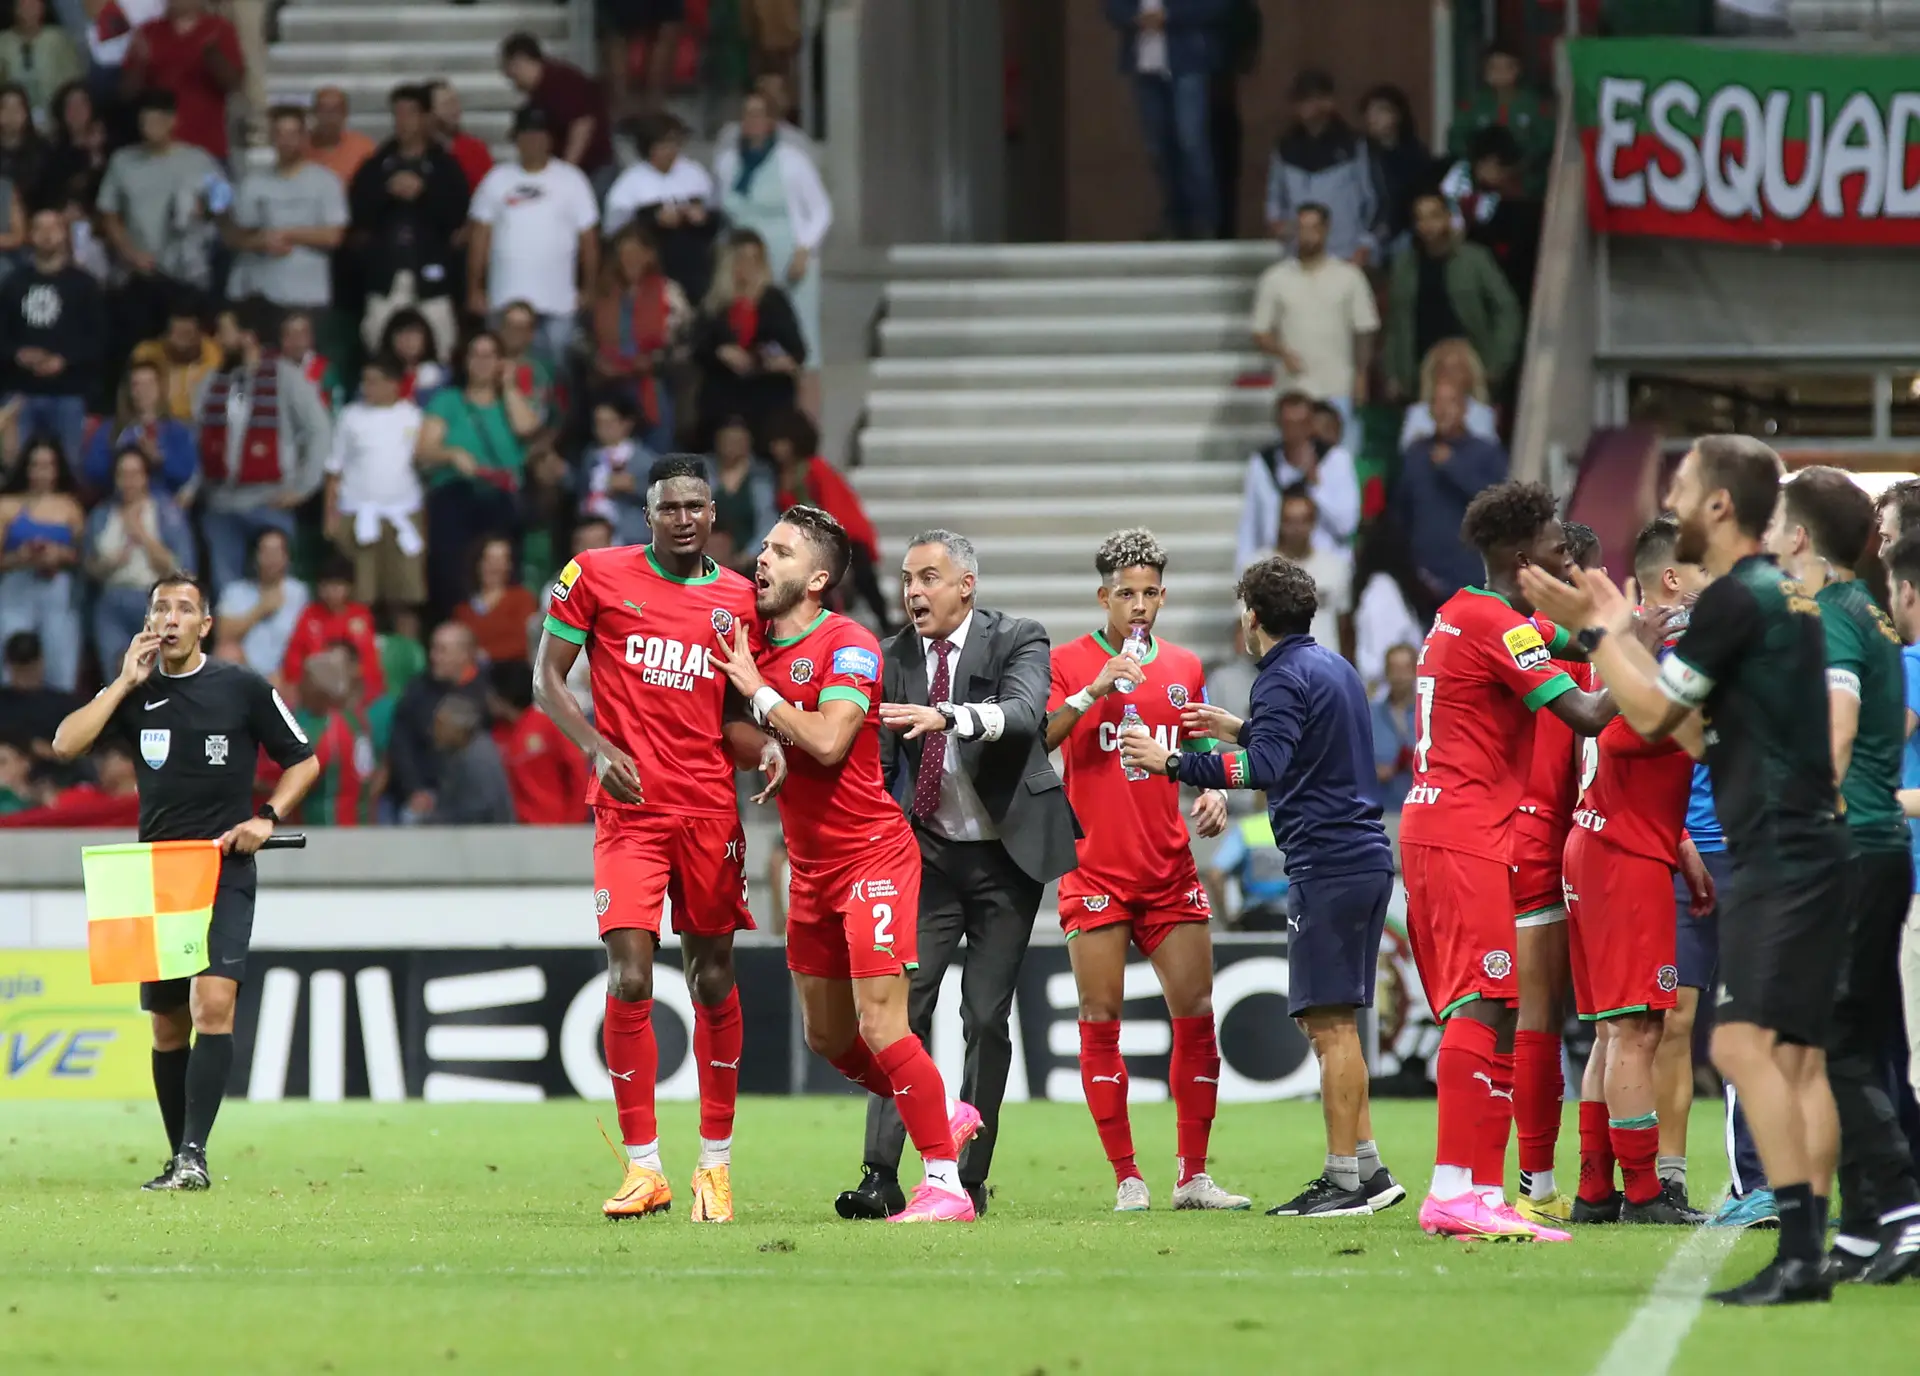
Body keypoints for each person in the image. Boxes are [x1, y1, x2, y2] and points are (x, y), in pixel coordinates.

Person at [1518, 435, 1847, 1303]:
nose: (1670, 492)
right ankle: (1814, 1243)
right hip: (1773, 845)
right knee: (1774, 1050)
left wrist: (1600, 633)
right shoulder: (1764, 600)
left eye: (1687, 481)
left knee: (1755, 1047)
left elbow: (1660, 716)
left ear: (1721, 508)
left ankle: (1817, 1241)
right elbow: (1692, 732)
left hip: (1781, 851)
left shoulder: (1738, 603)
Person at [711, 504, 986, 1222]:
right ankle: (940, 1106)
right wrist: (762, 741)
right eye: (763, 547)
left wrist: (761, 693)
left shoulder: (849, 643)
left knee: (880, 1023)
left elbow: (832, 742)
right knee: (827, 1036)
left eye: (781, 551)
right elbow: (738, 730)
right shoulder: (748, 644)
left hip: (872, 856)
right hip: (811, 868)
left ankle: (946, 1187)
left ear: (819, 577)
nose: (761, 560)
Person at [532, 455, 785, 1223]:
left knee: (711, 978)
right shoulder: (596, 576)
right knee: (632, 971)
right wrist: (597, 748)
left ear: (714, 514)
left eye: (695, 505)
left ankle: (715, 1165)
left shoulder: (743, 601)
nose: (682, 517)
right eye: (668, 506)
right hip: (630, 813)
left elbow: (736, 719)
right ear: (647, 516)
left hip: (709, 812)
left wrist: (767, 746)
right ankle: (644, 1168)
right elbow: (548, 678)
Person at [1124, 555, 1403, 1217]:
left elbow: (1268, 767)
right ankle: (1369, 1170)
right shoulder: (1332, 668)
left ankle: (1341, 1184)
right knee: (1340, 1024)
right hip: (1363, 857)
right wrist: (1238, 727)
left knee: (1328, 1026)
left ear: (1252, 616)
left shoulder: (1279, 677)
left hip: (1327, 863)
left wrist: (1172, 762)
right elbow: (1307, 748)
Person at [836, 529, 1077, 1220]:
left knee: (985, 1016)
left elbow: (1028, 716)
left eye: (929, 577)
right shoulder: (887, 657)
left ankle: (967, 1178)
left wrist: (945, 716)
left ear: (966, 585)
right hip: (928, 855)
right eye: (908, 578)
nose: (914, 590)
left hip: (1008, 856)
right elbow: (879, 771)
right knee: (899, 1009)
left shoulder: (1018, 637)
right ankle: (881, 1173)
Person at [50, 571, 318, 1190]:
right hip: (156, 876)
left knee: (212, 1001)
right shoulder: (135, 693)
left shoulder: (243, 686)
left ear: (205, 624)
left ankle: (194, 1152)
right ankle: (180, 1158)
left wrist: (266, 817)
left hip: (223, 866)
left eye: (183, 609)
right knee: (169, 1022)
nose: (169, 618)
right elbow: (66, 744)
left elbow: (304, 760)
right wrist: (121, 681)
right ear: (149, 623)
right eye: (159, 608)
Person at [1398, 480, 1614, 1242]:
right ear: (1526, 561)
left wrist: (1624, 630)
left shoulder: (1467, 612)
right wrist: (1646, 666)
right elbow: (1586, 713)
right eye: (1560, 552)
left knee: (1492, 1003)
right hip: (1462, 833)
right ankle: (1454, 1188)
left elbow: (1569, 643)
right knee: (1482, 1004)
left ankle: (1481, 1191)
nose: (1570, 564)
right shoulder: (1497, 624)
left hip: (1450, 828)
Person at [1041, 527, 1248, 1212]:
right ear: (1103, 596)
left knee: (1195, 1016)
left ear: (1163, 596)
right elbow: (1039, 739)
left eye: (1149, 593)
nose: (1138, 605)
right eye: (1125, 594)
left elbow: (1195, 745)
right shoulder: (1070, 662)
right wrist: (1096, 688)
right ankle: (1128, 1177)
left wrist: (1212, 790)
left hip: (1167, 867)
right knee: (1102, 1019)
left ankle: (1193, 1176)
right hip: (1094, 869)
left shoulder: (1184, 666)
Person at [1763, 466, 1920, 1283]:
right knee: (1854, 1040)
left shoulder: (1830, 617)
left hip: (1847, 846)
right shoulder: (1868, 611)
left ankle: (1900, 1208)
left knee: (1832, 1045)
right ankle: (1864, 1229)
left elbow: (1836, 731)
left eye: (1774, 520)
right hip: (1877, 846)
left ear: (1798, 537)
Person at [1559, 517, 1708, 1229]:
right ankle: (1644, 1193)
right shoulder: (1655, 650)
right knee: (1636, 1030)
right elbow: (1618, 735)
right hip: (1620, 855)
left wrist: (1677, 838)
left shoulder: (1634, 648)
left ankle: (1595, 1189)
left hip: (1615, 841)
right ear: (1673, 578)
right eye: (1707, 567)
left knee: (1613, 1032)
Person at [1502, 521, 1605, 1230]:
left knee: (1510, 1017)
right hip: (1552, 832)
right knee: (1566, 1020)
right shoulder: (1565, 644)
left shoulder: (1502, 630)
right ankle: (1545, 1184)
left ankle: (1518, 1178)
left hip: (1504, 831)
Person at [192, 298, 332, 599]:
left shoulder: (286, 377)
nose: (217, 338)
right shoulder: (212, 381)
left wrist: (305, 486)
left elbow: (319, 429)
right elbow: (198, 438)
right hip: (220, 504)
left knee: (277, 591)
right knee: (227, 595)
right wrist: (194, 486)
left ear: (247, 335)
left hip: (270, 502)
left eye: (225, 330)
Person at [713, 92, 831, 408]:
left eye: (758, 115)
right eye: (746, 114)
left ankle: (807, 422)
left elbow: (820, 209)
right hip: (743, 258)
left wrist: (805, 248)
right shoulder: (727, 163)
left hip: (787, 257)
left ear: (771, 121)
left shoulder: (791, 161)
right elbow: (722, 209)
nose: (751, 122)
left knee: (803, 342)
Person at [414, 330, 539, 619]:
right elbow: (423, 450)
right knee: (453, 572)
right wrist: (451, 454)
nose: (482, 362)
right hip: (455, 495)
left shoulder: (510, 401)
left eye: (490, 356)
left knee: (503, 571)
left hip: (500, 499)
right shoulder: (448, 401)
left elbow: (526, 429)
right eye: (476, 355)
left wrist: (507, 385)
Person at [467, 107, 600, 369]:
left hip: (558, 303)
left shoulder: (572, 180)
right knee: (502, 370)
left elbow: (589, 239)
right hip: (504, 301)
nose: (533, 142)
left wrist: (589, 287)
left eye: (539, 135)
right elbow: (480, 238)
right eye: (526, 135)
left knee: (558, 379)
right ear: (515, 139)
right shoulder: (496, 179)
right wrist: (474, 288)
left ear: (550, 139)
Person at [348, 84, 469, 362]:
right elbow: (357, 215)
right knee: (380, 352)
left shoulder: (445, 166)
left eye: (411, 113)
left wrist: (424, 193)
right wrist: (385, 192)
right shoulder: (375, 165)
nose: (403, 121)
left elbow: (458, 218)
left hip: (433, 279)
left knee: (440, 350)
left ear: (427, 117)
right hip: (386, 278)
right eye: (398, 114)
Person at [1247, 203, 1377, 440]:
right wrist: (1282, 352)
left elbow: (1364, 330)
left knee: (1338, 460)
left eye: (1313, 228)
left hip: (1337, 386)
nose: (1307, 235)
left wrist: (1361, 376)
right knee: (1294, 461)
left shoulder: (1349, 277)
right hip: (1293, 390)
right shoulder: (1275, 279)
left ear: (1326, 229)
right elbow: (1260, 332)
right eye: (1302, 228)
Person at [1101, 0, 1227, 241]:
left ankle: (1205, 221)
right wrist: (1134, 17)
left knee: (1191, 142)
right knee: (1158, 147)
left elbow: (1216, 6)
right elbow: (1111, 7)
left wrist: (1168, 15)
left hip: (1188, 60)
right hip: (1145, 66)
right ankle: (1175, 220)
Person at [1385, 192, 1523, 403]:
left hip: (1471, 370)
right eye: (1420, 218)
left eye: (1434, 216)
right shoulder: (1404, 267)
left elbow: (1506, 309)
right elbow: (1396, 323)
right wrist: (1394, 372)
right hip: (1420, 377)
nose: (1427, 224)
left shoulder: (1474, 259)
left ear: (1448, 217)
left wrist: (1498, 363)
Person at [765, 408, 892, 633]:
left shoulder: (816, 469)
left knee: (864, 580)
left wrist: (837, 551)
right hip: (807, 543)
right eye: (775, 442)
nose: (777, 448)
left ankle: (885, 624)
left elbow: (835, 509)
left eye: (782, 441)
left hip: (844, 538)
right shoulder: (779, 476)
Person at [0, 204, 106, 469]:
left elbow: (100, 340)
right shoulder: (12, 283)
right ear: (30, 235)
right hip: (20, 393)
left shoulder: (84, 285)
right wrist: (17, 354)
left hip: (68, 394)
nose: (47, 234)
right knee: (14, 471)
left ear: (65, 234)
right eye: (40, 228)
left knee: (71, 470)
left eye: (54, 227)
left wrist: (65, 360)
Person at [323, 354, 425, 621]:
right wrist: (330, 516)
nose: (367, 387)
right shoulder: (350, 416)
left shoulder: (413, 416)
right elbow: (334, 470)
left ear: (394, 384)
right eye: (365, 381)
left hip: (403, 514)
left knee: (405, 599)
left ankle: (409, 659)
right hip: (357, 514)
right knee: (360, 598)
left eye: (375, 381)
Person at [1391, 379, 1509, 603]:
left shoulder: (1486, 453)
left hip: (1469, 576)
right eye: (1437, 403)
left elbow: (1497, 505)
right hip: (1422, 581)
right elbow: (1401, 512)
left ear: (1464, 409)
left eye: (1451, 403)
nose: (1444, 410)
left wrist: (1452, 467)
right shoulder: (1415, 453)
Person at [224, 106, 348, 313]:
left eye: (292, 133)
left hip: (307, 296)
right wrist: (261, 242)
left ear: (304, 137)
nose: (286, 140)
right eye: (280, 133)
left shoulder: (326, 181)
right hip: (257, 295)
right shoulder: (253, 182)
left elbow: (333, 236)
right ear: (272, 138)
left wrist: (285, 233)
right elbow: (236, 236)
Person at [84, 444, 193, 672]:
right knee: (116, 677)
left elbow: (182, 569)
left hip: (154, 601)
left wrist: (141, 534)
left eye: (135, 474)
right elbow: (88, 567)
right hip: (111, 602)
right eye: (123, 474)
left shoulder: (166, 512)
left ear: (146, 477)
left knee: (156, 678)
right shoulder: (102, 514)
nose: (129, 481)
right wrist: (112, 563)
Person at [693, 230, 805, 443]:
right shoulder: (716, 304)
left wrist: (772, 360)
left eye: (755, 259)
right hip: (725, 395)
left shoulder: (774, 301)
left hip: (766, 394)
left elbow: (796, 350)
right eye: (742, 259)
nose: (748, 267)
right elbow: (698, 347)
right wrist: (721, 352)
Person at [591, 225, 691, 454]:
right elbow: (582, 340)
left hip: (652, 383)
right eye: (624, 255)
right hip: (610, 384)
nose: (629, 261)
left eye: (636, 254)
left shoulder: (669, 293)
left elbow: (685, 343)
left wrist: (652, 362)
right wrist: (597, 362)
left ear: (649, 256)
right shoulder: (603, 294)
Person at [1235, 390, 1358, 575]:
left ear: (1311, 425)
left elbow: (1347, 524)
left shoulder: (1336, 460)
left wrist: (1317, 485)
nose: (1294, 432)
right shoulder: (1262, 464)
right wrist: (1243, 571)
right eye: (1288, 424)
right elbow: (1250, 525)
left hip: (1324, 566)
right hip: (1276, 567)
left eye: (1300, 424)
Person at [602, 113, 719, 304]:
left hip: (694, 267)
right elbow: (615, 234)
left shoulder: (695, 174)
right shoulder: (630, 183)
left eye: (674, 143)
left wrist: (701, 218)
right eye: (663, 144)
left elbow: (716, 218)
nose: (671, 150)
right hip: (651, 270)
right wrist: (654, 220)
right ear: (648, 147)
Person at [1265, 67, 1376, 265]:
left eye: (1315, 98)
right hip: (1298, 253)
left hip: (1345, 252)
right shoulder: (1284, 148)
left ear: (1330, 102)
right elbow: (1274, 198)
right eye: (1303, 100)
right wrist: (1277, 224)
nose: (1309, 106)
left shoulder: (1354, 145)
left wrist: (1364, 245)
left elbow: (1371, 200)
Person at [0, 438, 82, 689]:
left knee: (60, 668)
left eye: (48, 465)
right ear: (26, 467)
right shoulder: (6, 505)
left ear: (57, 469)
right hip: (16, 588)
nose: (41, 472)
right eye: (35, 465)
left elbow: (83, 558)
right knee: (9, 663)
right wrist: (21, 557)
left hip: (56, 589)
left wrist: (59, 554)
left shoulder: (70, 507)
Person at [387, 620, 486, 822]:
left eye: (442, 651)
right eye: (433, 649)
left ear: (464, 655)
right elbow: (400, 743)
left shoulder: (483, 694)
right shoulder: (417, 690)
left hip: (467, 799)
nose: (433, 657)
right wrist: (414, 789)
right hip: (421, 795)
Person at [121, 0, 242, 162]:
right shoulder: (148, 32)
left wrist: (213, 57)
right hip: (158, 151)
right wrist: (139, 64)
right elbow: (126, 94)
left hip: (208, 150)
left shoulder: (219, 29)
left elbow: (233, 84)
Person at [498, 32, 613, 189]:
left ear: (520, 61)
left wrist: (568, 169)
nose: (512, 81)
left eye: (510, 72)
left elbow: (582, 123)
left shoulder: (560, 82)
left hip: (593, 170)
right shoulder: (539, 94)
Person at [1447, 42, 1553, 197]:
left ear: (1518, 70)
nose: (1500, 73)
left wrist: (1512, 170)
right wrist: (1478, 166)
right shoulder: (1473, 105)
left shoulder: (1534, 106)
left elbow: (1544, 144)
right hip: (1479, 185)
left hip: (1526, 189)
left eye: (1507, 67)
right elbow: (1456, 139)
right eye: (1494, 67)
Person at [489, 659, 585, 825]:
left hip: (554, 826)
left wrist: (574, 823)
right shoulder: (497, 734)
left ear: (501, 698)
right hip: (512, 828)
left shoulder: (549, 725)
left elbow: (579, 775)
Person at [82, 360, 197, 497]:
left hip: (160, 506)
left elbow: (185, 474)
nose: (143, 390)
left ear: (160, 388)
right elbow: (92, 471)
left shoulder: (176, 431)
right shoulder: (110, 429)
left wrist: (159, 459)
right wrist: (123, 460)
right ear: (129, 390)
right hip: (118, 504)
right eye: (136, 384)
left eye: (149, 384)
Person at [279, 555, 383, 698]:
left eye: (337, 585)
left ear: (349, 587)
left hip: (352, 692)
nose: (331, 591)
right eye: (326, 585)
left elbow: (368, 661)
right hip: (314, 692)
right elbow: (294, 656)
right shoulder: (310, 614)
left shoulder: (360, 616)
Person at [213, 526, 307, 678]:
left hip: (284, 673)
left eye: (277, 552)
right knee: (226, 652)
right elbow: (223, 636)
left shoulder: (298, 592)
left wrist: (285, 672)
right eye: (266, 552)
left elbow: (306, 639)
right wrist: (260, 610)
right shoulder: (235, 591)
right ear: (255, 556)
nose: (272, 559)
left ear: (286, 557)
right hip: (246, 672)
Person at [1359, 83, 1431, 261]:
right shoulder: (1361, 154)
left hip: (1405, 231)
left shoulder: (1414, 155)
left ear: (1397, 115)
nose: (1372, 118)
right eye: (1369, 112)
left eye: (1380, 111)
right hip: (1367, 230)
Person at [1273, 485, 1348, 654]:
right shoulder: (1260, 570)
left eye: (1302, 521)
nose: (1296, 528)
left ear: (1313, 523)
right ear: (1280, 523)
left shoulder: (1335, 567)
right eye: (1290, 521)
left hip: (1325, 667)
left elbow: (1344, 626)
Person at [703, 414, 777, 579]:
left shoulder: (761, 475)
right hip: (706, 556)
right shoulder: (703, 469)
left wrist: (747, 556)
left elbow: (767, 520)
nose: (731, 446)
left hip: (750, 559)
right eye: (726, 440)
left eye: (737, 441)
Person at [425, 693, 513, 824]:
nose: (433, 731)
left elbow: (477, 812)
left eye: (440, 725)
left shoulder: (478, 760)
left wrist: (431, 822)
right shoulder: (462, 751)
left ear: (459, 729)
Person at [129, 295, 220, 420]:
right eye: (175, 333)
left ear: (201, 333)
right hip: (156, 422)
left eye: (187, 334)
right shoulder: (147, 353)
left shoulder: (215, 354)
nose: (180, 343)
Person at [1399, 339, 1500, 451]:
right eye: (1443, 367)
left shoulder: (1483, 414)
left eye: (1457, 368)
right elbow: (1409, 452)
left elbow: (1486, 455)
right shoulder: (1417, 413)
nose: (1449, 374)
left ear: (1471, 375)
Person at [455, 535, 536, 663]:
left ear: (509, 565)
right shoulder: (463, 609)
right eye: (489, 559)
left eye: (501, 560)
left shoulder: (522, 599)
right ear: (478, 563)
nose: (494, 566)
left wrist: (488, 654)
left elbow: (525, 643)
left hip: (511, 673)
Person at [0, 0, 83, 124]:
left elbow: (74, 82)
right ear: (15, 10)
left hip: (56, 118)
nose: (30, 12)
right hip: (13, 121)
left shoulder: (59, 39)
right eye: (24, 6)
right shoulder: (3, 43)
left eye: (34, 6)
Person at [0, 629, 79, 741]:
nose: (25, 676)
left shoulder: (64, 706)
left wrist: (48, 752)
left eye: (30, 669)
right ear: (8, 666)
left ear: (41, 663)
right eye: (20, 670)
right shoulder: (2, 705)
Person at [1370, 641, 1418, 808]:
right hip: (1383, 808)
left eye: (1405, 669)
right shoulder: (1370, 714)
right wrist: (1375, 772)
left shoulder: (1431, 714)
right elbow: (1351, 763)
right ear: (1386, 673)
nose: (1400, 677)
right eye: (1394, 669)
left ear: (1416, 671)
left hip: (1422, 810)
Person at [426, 80, 492, 193]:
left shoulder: (475, 148)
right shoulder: (418, 148)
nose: (455, 109)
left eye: (456, 102)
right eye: (446, 104)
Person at [308, 86, 376, 190]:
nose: (329, 117)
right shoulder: (298, 147)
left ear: (345, 113)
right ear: (313, 113)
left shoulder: (364, 149)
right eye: (323, 110)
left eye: (335, 110)